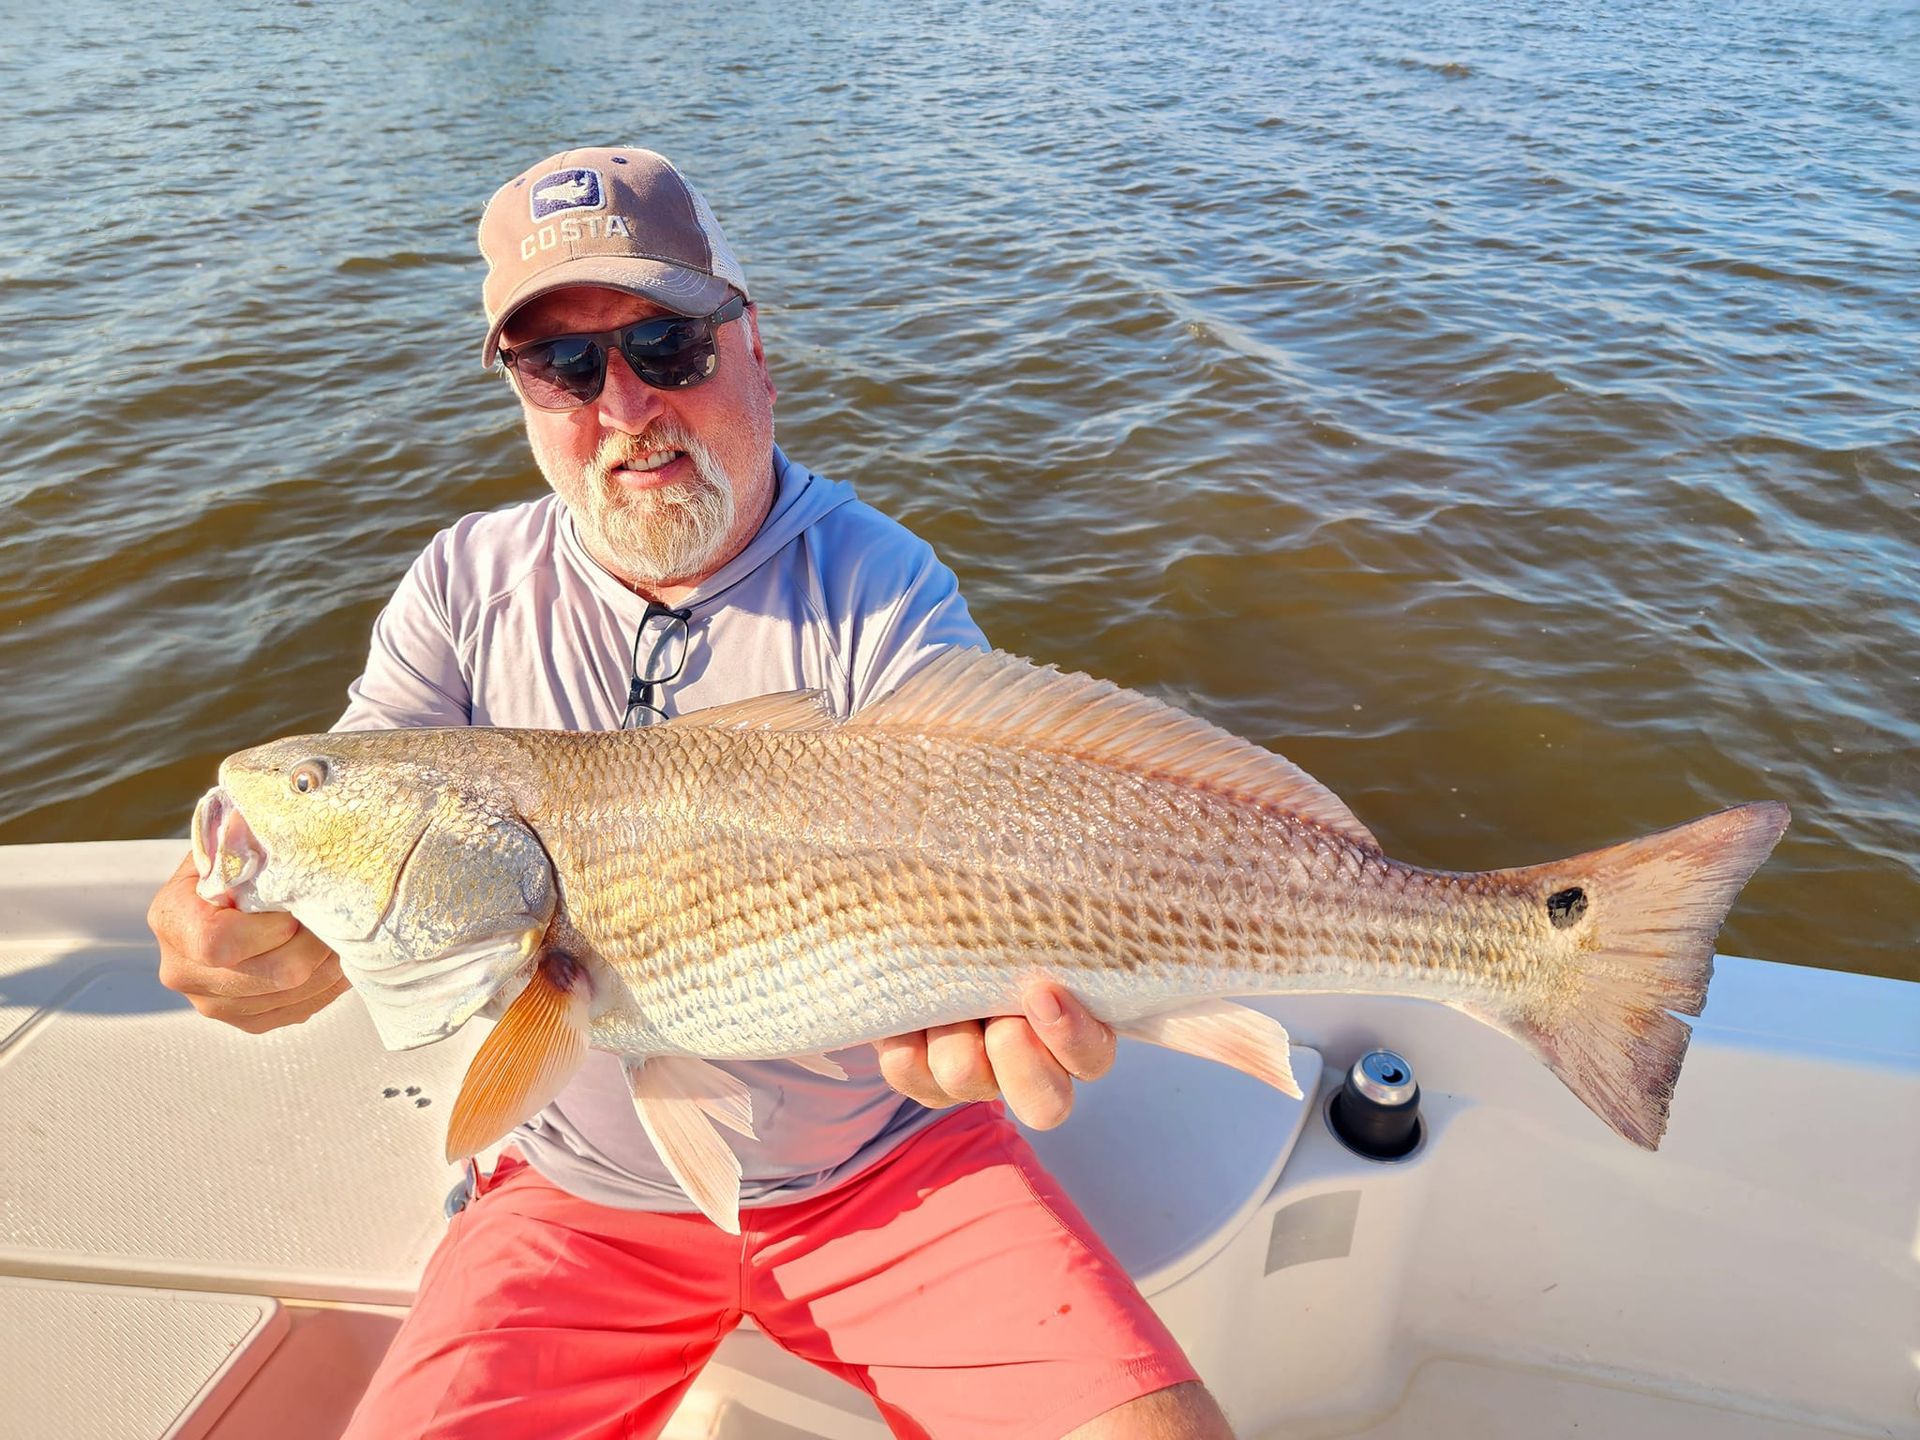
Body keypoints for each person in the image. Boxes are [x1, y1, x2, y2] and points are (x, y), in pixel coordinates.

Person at [148, 146, 1234, 1440]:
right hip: (573, 1189)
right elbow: (368, 812)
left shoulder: (881, 588)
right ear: (519, 394)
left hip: (888, 1166)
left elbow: (990, 805)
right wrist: (245, 926)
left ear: (753, 344)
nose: (627, 406)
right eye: (564, 367)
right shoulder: (460, 584)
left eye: (668, 346)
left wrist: (1005, 1024)